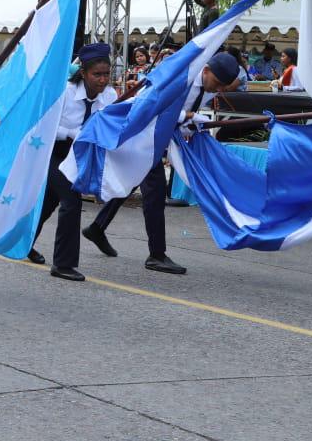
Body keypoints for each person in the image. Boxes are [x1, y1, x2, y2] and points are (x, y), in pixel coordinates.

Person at [80, 51, 244, 276]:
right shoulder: (180, 78)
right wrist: (186, 117)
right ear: (206, 70)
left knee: (131, 182)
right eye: (217, 83)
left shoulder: (205, 86)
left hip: (153, 140)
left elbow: (178, 117)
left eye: (223, 86)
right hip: (140, 137)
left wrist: (188, 125)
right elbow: (153, 106)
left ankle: (97, 227)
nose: (219, 89)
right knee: (155, 194)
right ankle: (156, 255)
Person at [28, 44, 117, 281]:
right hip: (56, 152)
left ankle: (24, 241)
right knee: (71, 201)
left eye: (106, 74)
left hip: (81, 156)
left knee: (49, 202)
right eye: (97, 74)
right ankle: (63, 264)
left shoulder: (110, 96)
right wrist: (71, 133)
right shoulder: (65, 93)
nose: (102, 80)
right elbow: (44, 125)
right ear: (83, 73)